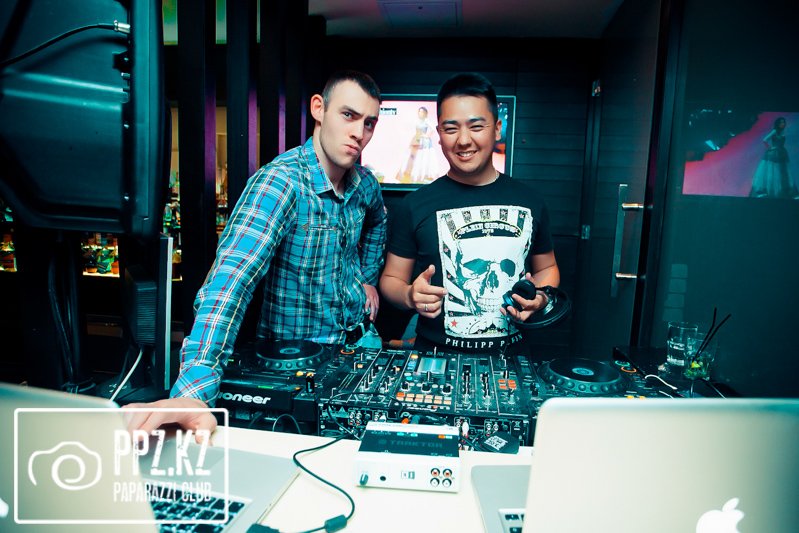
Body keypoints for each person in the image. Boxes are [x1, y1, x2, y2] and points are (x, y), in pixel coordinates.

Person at [126, 70, 387, 436]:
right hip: (295, 366)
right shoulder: (280, 183)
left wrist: (367, 279)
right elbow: (230, 281)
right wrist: (193, 394)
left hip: (357, 348)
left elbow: (378, 222)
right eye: (348, 115)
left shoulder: (365, 184)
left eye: (369, 123)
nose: (359, 132)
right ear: (318, 109)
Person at [379, 72, 560, 356]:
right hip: (434, 360)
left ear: (496, 129)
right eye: (451, 128)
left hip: (511, 362)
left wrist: (541, 296)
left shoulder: (530, 202)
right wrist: (409, 295)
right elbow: (391, 279)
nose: (464, 140)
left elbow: (547, 268)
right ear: (439, 134)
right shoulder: (414, 205)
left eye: (476, 126)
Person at [750, 116, 798, 199]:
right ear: (777, 124)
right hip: (774, 153)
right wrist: (770, 147)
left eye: (784, 122)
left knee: (782, 171)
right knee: (773, 171)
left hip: (782, 153)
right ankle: (767, 191)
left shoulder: (782, 131)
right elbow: (765, 140)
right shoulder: (775, 131)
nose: (783, 124)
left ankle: (785, 191)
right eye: (781, 122)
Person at [397, 106, 436, 183]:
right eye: (419, 111)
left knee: (422, 157)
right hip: (416, 139)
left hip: (424, 142)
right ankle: (410, 176)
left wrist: (427, 135)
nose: (420, 113)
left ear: (425, 113)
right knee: (412, 158)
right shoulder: (417, 121)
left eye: (422, 112)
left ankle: (421, 177)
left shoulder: (426, 121)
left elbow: (433, 129)